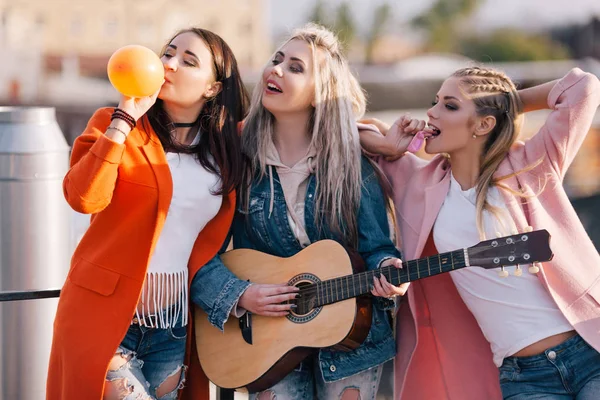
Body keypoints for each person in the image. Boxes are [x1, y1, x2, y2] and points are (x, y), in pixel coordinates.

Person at [191, 23, 407, 400]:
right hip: (265, 344)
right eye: (277, 60)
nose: (275, 69)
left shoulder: (353, 166)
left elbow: (377, 249)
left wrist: (389, 271)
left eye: (295, 67)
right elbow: (195, 250)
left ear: (318, 93)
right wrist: (239, 294)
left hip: (353, 342)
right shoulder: (237, 161)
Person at [360, 66, 600, 399]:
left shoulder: (531, 164)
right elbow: (351, 131)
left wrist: (502, 104)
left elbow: (583, 88)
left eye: (450, 105)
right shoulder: (417, 181)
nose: (431, 112)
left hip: (589, 350)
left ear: (484, 124)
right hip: (524, 379)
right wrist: (388, 145)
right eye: (435, 101)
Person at [47, 27, 248, 400]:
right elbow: (83, 198)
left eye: (187, 61)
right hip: (103, 319)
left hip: (171, 325)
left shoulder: (225, 147)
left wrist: (369, 137)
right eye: (167, 53)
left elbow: (294, 129)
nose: (168, 64)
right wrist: (125, 118)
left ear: (213, 88)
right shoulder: (115, 123)